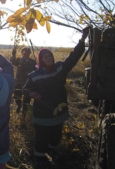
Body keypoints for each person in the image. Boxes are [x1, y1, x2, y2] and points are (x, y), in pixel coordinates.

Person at [23, 26, 90, 168]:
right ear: (40, 59)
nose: (48, 58)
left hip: (58, 111)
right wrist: (32, 93)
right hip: (41, 113)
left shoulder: (60, 68)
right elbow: (25, 89)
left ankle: (50, 150)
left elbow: (73, 57)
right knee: (41, 138)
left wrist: (82, 39)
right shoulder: (34, 76)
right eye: (45, 56)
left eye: (49, 56)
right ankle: (39, 159)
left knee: (55, 138)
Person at [10, 46, 36, 120]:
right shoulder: (19, 60)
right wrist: (13, 54)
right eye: (24, 51)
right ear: (22, 53)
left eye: (27, 52)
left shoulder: (33, 61)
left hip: (28, 83)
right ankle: (19, 105)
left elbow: (36, 69)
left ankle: (24, 113)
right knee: (16, 96)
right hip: (19, 81)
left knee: (27, 98)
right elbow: (12, 61)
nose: (26, 53)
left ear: (29, 53)